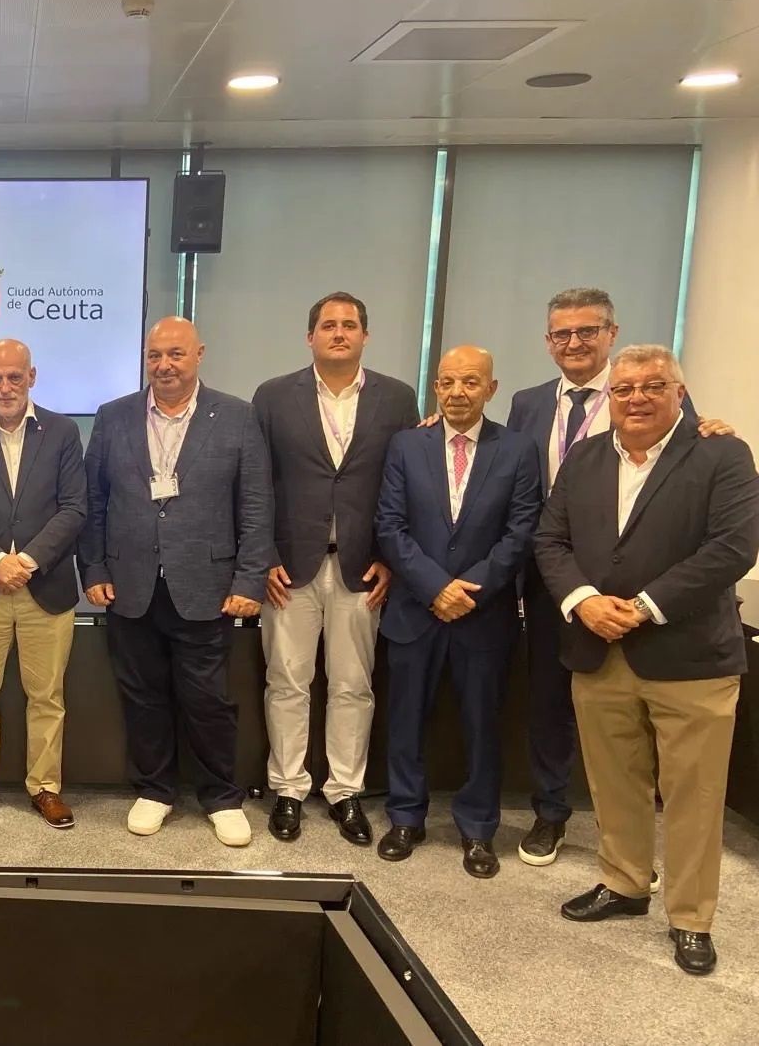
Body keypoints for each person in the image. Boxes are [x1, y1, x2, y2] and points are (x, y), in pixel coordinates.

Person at [535, 344, 757, 975]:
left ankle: (691, 918)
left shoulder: (722, 455)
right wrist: (581, 601)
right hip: (597, 648)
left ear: (679, 394)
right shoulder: (583, 458)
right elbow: (550, 538)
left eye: (653, 387)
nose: (636, 399)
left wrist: (645, 605)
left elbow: (733, 547)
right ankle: (626, 883)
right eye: (625, 389)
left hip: (690, 656)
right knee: (615, 780)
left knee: (693, 792)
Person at [505, 287, 729, 870]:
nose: (574, 343)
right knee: (550, 700)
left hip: (639, 593)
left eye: (587, 331)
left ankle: (629, 843)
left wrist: (715, 428)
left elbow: (689, 460)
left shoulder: (645, 389)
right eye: (562, 334)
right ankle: (550, 812)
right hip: (555, 577)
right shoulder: (527, 404)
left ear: (611, 333)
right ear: (548, 342)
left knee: (637, 717)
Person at [78, 316, 274, 846]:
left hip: (207, 584)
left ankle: (221, 796)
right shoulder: (114, 416)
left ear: (199, 355)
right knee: (142, 695)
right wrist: (93, 567)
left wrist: (249, 580)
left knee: (208, 698)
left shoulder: (235, 417)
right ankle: (155, 789)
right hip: (129, 582)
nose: (164, 365)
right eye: (155, 355)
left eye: (176, 355)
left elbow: (255, 506)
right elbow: (93, 502)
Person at [251, 292, 419, 845]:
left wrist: (394, 560)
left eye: (350, 325)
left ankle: (345, 792)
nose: (339, 333)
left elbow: (409, 485)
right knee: (286, 682)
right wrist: (263, 558)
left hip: (362, 568)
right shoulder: (274, 397)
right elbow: (256, 486)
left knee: (353, 685)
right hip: (289, 568)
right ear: (310, 336)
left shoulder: (397, 399)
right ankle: (289, 789)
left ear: (365, 336)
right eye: (328, 325)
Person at [373, 346, 542, 878]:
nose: (457, 393)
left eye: (470, 382)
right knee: (404, 719)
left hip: (482, 612)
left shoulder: (518, 449)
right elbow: (390, 525)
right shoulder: (406, 445)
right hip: (415, 609)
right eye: (447, 382)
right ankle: (405, 816)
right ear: (436, 389)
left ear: (491, 389)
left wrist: (469, 589)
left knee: (481, 724)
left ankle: (477, 829)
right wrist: (433, 587)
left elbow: (522, 530)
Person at [0, 339, 87, 830]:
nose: (5, 387)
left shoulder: (63, 431)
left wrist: (24, 561)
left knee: (47, 695)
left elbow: (74, 507)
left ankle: (45, 787)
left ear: (32, 376)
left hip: (43, 588)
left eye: (14, 376)